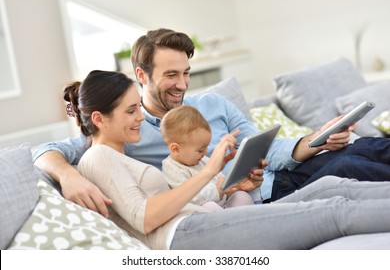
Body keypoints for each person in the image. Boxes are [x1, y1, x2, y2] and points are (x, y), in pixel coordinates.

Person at [33, 28, 390, 217]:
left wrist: (317, 140)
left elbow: (269, 147)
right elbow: (46, 150)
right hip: (262, 198)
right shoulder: (125, 128)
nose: (183, 85)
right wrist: (68, 175)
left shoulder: (212, 103)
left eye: (187, 73)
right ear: (141, 75)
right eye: (171, 74)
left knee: (367, 147)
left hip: (283, 173)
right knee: (350, 165)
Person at [65, 69, 390, 250]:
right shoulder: (96, 159)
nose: (141, 117)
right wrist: (210, 170)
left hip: (202, 218)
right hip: (184, 235)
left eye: (138, 107)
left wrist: (231, 186)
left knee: (333, 186)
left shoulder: (119, 154)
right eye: (131, 110)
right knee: (333, 210)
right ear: (98, 118)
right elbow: (146, 218)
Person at [160, 105, 254, 211]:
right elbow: (191, 198)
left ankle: (244, 221)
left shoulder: (201, 159)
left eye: (206, 147)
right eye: (200, 150)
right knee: (209, 206)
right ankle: (232, 223)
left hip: (224, 206)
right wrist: (219, 189)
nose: (205, 153)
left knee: (241, 196)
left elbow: (220, 181)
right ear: (176, 149)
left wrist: (231, 187)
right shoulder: (171, 168)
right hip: (200, 212)